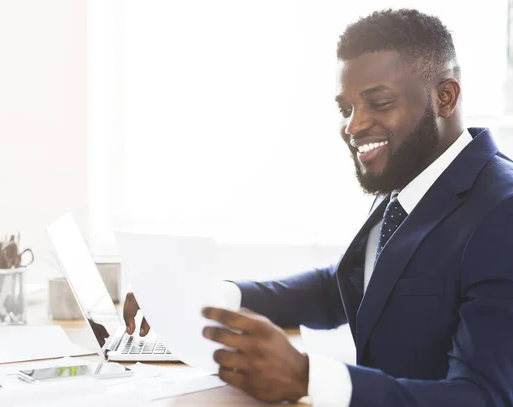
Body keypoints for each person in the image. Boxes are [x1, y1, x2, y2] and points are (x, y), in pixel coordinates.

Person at [123, 9, 513, 406]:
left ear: (444, 98)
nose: (354, 125)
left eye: (378, 103)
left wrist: (307, 378)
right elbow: (343, 287)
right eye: (346, 109)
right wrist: (207, 300)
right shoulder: (409, 181)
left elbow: (482, 397)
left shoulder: (503, 210)